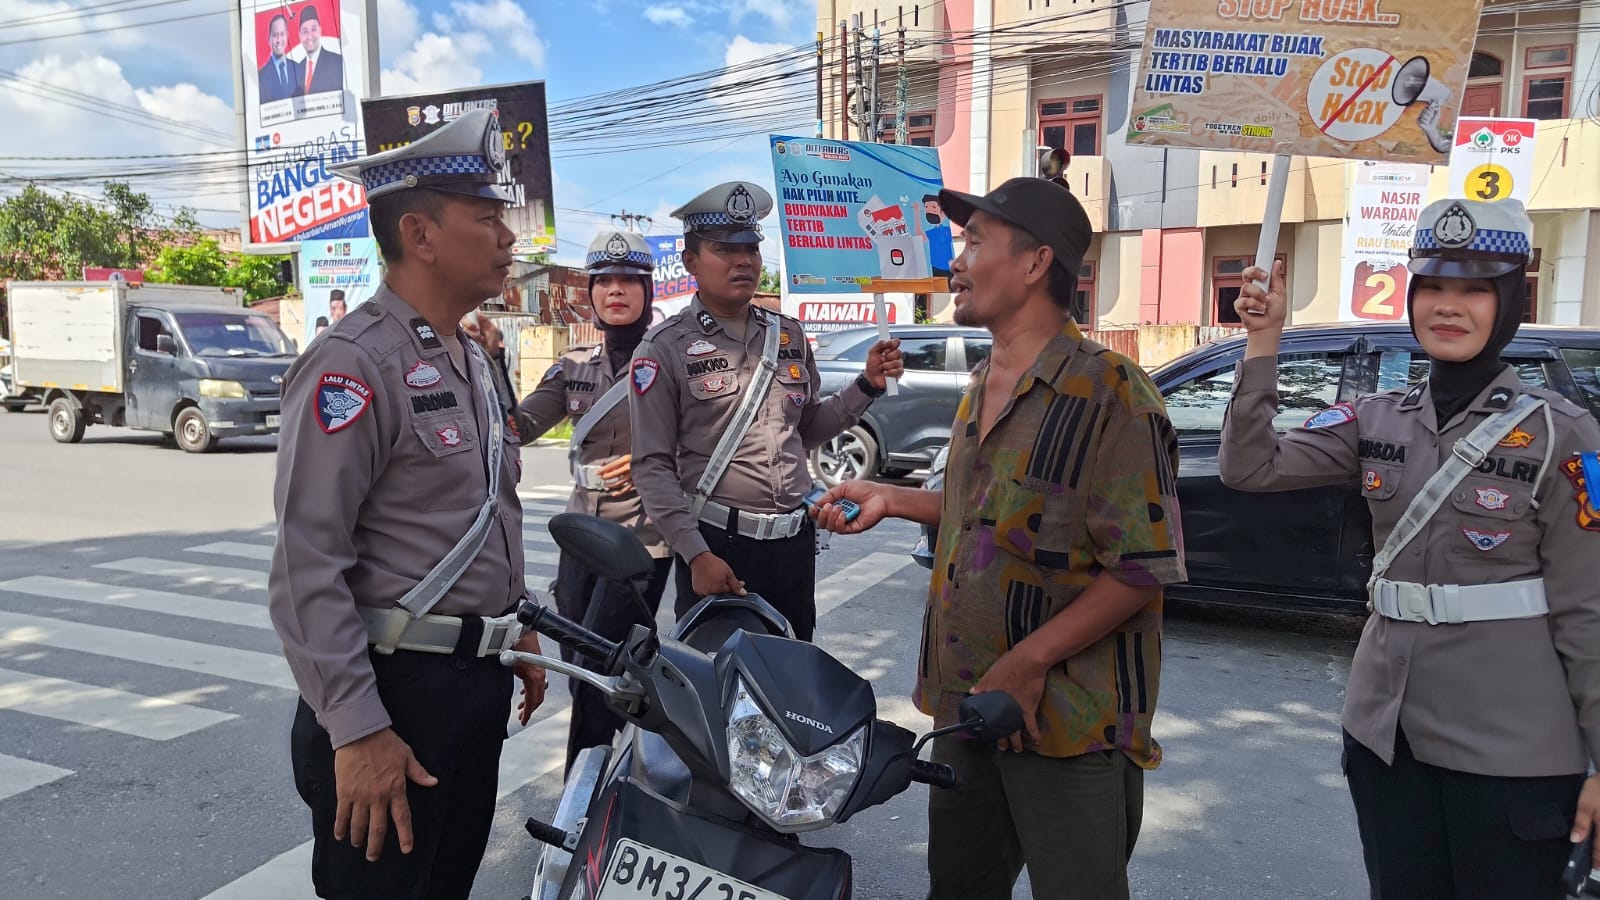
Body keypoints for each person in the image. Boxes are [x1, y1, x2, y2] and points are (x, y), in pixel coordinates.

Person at [812, 177, 1186, 900]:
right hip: (969, 704)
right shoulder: (982, 381)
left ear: (1036, 262)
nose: (957, 261)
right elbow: (980, 514)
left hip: (1069, 722)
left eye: (975, 242)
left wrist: (1030, 661)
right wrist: (890, 498)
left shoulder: (1113, 393)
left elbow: (1143, 567)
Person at [1220, 197, 1600, 898]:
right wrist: (1264, 342)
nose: (1447, 307)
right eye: (1433, 286)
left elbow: (1590, 610)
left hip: (1512, 752)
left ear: (1512, 300)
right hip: (1387, 738)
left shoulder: (1562, 435)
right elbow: (1250, 467)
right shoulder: (1377, 418)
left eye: (1474, 290)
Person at [268, 108, 545, 900]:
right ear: (420, 235)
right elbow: (304, 567)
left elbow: (478, 514)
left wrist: (512, 625)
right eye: (488, 219)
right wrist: (356, 730)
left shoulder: (469, 353)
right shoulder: (352, 365)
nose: (508, 239)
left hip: (472, 685)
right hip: (394, 697)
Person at [629, 181, 903, 642]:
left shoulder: (788, 336)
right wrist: (695, 555)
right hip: (720, 547)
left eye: (751, 249)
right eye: (724, 249)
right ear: (691, 261)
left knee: (792, 685)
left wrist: (865, 386)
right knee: (723, 694)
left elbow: (808, 428)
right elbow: (652, 468)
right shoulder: (663, 349)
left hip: (793, 545)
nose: (743, 260)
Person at [511, 229, 675, 771]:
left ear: (648, 291)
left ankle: (584, 795)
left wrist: (659, 457)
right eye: (604, 281)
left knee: (604, 668)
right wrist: (486, 362)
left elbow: (708, 437)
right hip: (583, 536)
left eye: (630, 280)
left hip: (643, 539)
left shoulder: (669, 359)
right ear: (591, 292)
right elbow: (522, 425)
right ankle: (610, 773)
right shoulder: (574, 364)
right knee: (581, 667)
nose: (617, 291)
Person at [297, 4, 343, 96]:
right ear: (300, 36)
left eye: (313, 29)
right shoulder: (296, 70)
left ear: (320, 30)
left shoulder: (336, 62)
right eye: (305, 31)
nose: (309, 36)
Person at [258, 13, 304, 104]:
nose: (279, 40)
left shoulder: (299, 69)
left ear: (287, 35)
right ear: (269, 39)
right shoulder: (261, 76)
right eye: (275, 35)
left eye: (282, 34)